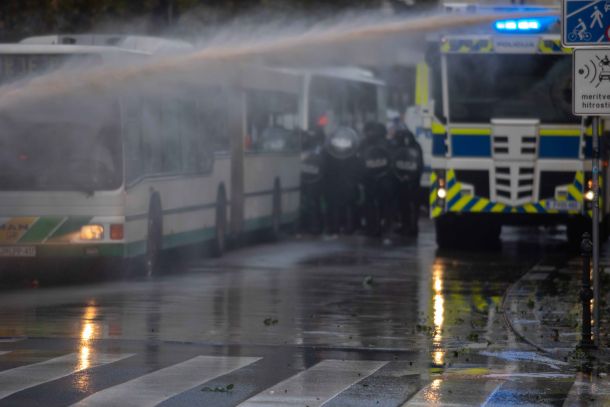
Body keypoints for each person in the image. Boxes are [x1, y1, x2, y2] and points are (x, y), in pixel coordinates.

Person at [360, 122, 392, 236]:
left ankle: (372, 226)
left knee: (371, 203)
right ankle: (383, 225)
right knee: (382, 203)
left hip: (371, 178)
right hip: (382, 178)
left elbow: (360, 160)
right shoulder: (386, 143)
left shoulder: (365, 143)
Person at [391, 128, 423, 236]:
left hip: (410, 181)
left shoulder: (413, 147)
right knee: (405, 205)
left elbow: (418, 164)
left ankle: (412, 227)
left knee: (409, 205)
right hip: (406, 181)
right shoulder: (414, 146)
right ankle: (406, 226)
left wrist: (409, 177)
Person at [299, 127, 325, 234]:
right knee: (313, 203)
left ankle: (314, 227)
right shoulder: (319, 148)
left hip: (313, 178)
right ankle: (314, 226)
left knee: (312, 203)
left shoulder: (317, 149)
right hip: (311, 177)